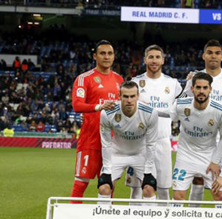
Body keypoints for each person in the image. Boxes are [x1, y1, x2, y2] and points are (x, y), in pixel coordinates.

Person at [183, 40, 222, 207]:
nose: (213, 56)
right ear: (204, 56)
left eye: (217, 53)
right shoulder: (194, 78)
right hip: (198, 135)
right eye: (209, 52)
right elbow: (182, 103)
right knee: (198, 175)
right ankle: (193, 216)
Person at [124, 45, 184, 202]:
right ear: (145, 60)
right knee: (136, 191)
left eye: (158, 57)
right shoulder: (135, 82)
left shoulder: (173, 84)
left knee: (164, 190)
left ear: (163, 60)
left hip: (162, 142)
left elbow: (180, 108)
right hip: (139, 142)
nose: (154, 60)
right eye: (150, 57)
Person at [70, 40, 123, 203]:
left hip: (113, 142)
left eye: (110, 53)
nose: (106, 57)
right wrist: (99, 106)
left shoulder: (120, 80)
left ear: (114, 56)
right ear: (95, 56)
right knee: (81, 183)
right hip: (90, 139)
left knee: (109, 185)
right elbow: (77, 105)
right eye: (102, 53)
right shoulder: (84, 78)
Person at [172, 72, 222, 207]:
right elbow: (166, 114)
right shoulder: (181, 105)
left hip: (209, 156)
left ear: (210, 89)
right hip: (185, 156)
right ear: (192, 89)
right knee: (178, 196)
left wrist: (216, 161)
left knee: (220, 196)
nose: (201, 91)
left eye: (205, 88)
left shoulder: (221, 111)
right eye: (198, 87)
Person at [98, 81, 159, 205]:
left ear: (138, 96)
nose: (129, 100)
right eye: (125, 96)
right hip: (117, 153)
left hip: (141, 154)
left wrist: (147, 171)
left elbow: (151, 145)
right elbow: (106, 144)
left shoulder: (150, 113)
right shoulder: (107, 113)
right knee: (104, 188)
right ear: (119, 97)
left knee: (149, 189)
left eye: (132, 96)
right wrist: (107, 169)